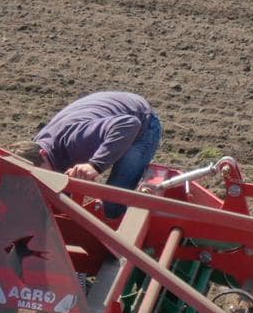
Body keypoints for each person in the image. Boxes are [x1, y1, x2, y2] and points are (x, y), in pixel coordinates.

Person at [12, 91, 163, 218]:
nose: (44, 181)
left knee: (113, 204)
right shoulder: (40, 146)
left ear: (42, 153)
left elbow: (129, 124)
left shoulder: (76, 141)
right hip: (112, 110)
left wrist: (95, 165)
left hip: (142, 123)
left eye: (42, 175)